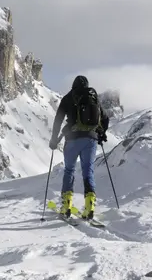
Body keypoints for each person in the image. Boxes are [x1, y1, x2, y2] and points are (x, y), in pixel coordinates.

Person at [48, 75, 109, 220]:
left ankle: (66, 206)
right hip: (91, 139)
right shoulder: (92, 97)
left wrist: (54, 139)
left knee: (69, 170)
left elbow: (58, 120)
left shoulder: (68, 98)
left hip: (73, 139)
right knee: (88, 171)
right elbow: (105, 118)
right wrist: (101, 134)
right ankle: (90, 207)